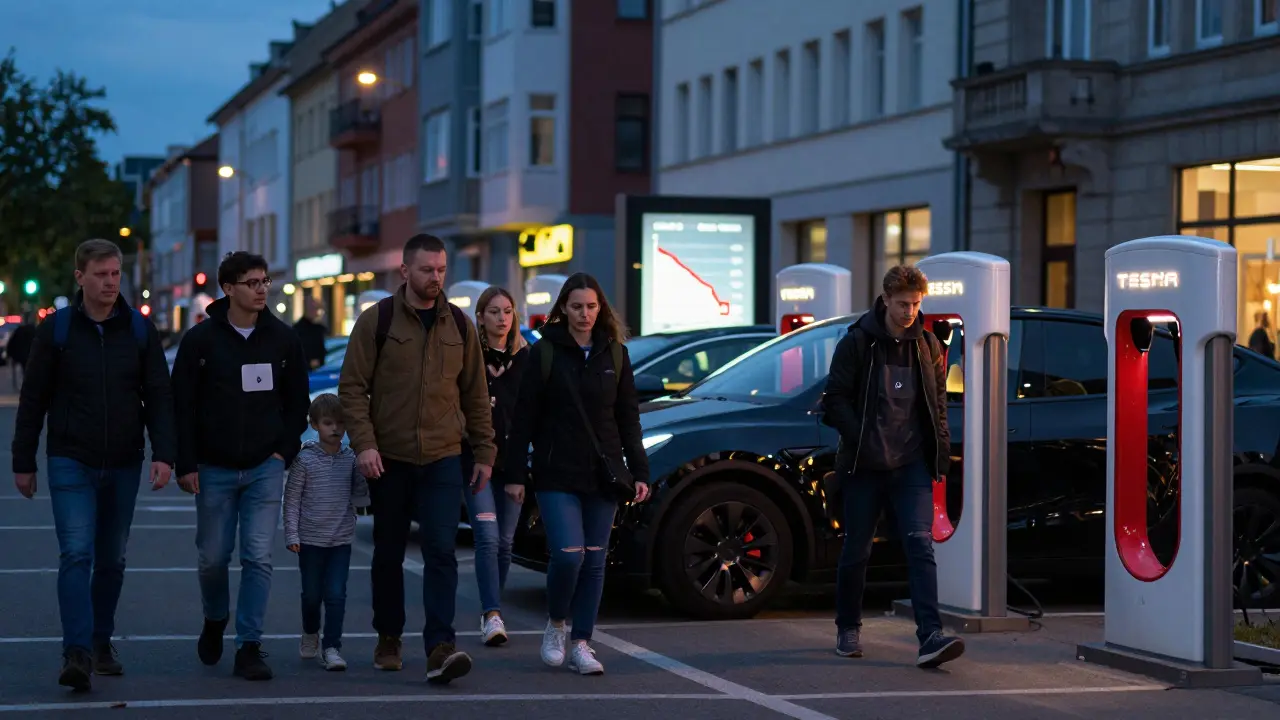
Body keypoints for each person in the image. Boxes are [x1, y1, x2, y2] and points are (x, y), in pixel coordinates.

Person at [10, 239, 176, 691]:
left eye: (115, 273)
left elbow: (159, 394)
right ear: (80, 277)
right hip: (70, 458)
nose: (109, 282)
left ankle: (101, 641)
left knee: (112, 559)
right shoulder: (59, 329)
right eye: (100, 274)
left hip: (124, 460)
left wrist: (165, 453)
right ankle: (77, 651)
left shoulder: (139, 330)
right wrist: (22, 459)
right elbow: (34, 398)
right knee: (76, 553)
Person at [337, 233, 496, 684]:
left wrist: (484, 451)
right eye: (427, 270)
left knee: (441, 552)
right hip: (389, 457)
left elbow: (476, 395)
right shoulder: (378, 320)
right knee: (387, 551)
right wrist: (364, 443)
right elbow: (352, 388)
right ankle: (389, 636)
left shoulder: (461, 326)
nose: (436, 278)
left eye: (442, 269)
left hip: (444, 457)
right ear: (405, 271)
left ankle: (440, 647)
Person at [170, 251, 310, 681]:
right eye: (252, 282)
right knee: (213, 558)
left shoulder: (283, 340)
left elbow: (297, 402)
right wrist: (185, 463)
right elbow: (182, 405)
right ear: (228, 289)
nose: (262, 289)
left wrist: (283, 452)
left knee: (258, 557)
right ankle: (215, 619)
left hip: (265, 467)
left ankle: (249, 645)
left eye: (265, 281)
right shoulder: (201, 341)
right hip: (212, 466)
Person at [819, 264, 965, 669]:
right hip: (865, 466)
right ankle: (848, 626)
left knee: (920, 545)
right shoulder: (858, 343)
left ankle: (930, 636)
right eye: (903, 304)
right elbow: (835, 399)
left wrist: (940, 453)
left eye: (916, 304)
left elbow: (937, 406)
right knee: (857, 550)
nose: (910, 312)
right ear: (885, 300)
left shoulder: (928, 346)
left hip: (911, 465)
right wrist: (861, 440)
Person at [506, 272, 651, 676]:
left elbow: (628, 419)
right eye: (576, 307)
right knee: (569, 555)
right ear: (563, 309)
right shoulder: (545, 353)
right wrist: (516, 473)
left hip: (604, 474)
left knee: (594, 561)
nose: (584, 314)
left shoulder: (615, 353)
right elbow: (523, 419)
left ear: (600, 307)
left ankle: (582, 643)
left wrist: (639, 471)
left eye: (591, 306)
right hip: (556, 471)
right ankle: (556, 625)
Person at [462, 286, 530, 646]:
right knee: (487, 538)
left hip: (513, 465)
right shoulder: (469, 356)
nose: (502, 318)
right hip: (476, 463)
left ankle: (494, 607)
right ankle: (492, 614)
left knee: (505, 542)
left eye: (507, 311)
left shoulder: (525, 359)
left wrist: (520, 474)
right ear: (480, 317)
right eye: (493, 311)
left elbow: (529, 419)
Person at [283, 393, 369, 671]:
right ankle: (310, 632)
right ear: (315, 424)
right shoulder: (304, 461)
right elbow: (292, 499)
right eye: (328, 423)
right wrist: (292, 535)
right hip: (309, 541)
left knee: (336, 594)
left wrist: (366, 479)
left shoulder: (351, 459)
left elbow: (359, 496)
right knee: (311, 595)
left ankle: (332, 647)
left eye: (340, 424)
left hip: (340, 540)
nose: (335, 429)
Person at [294, 297, 329, 369]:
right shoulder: (298, 329)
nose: (315, 311)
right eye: (313, 308)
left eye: (316, 308)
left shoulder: (319, 328)